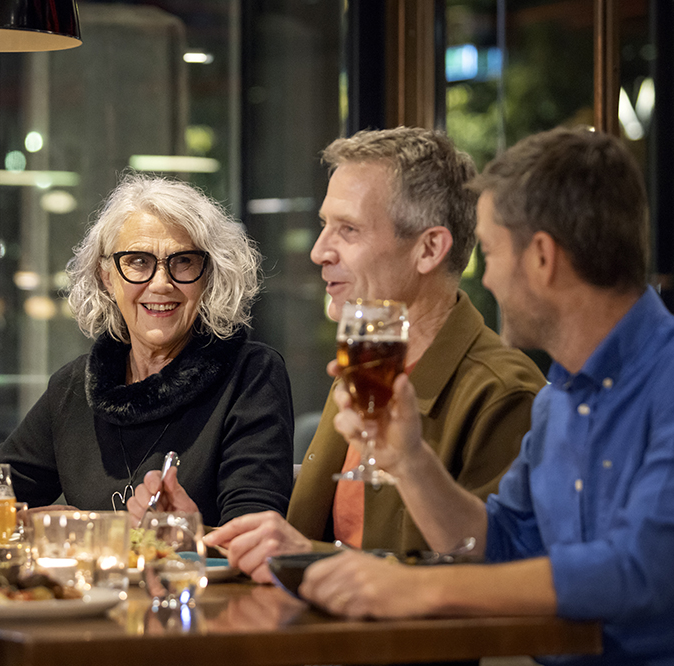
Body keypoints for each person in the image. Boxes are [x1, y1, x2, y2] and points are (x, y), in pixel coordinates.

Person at [302, 127, 674, 666]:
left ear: (542, 258)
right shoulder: (559, 400)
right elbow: (497, 544)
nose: (488, 279)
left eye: (493, 252)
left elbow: (640, 570)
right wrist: (409, 459)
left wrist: (417, 589)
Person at [203, 127, 544, 582]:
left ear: (429, 249)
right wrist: (199, 516)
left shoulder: (503, 393)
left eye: (348, 229)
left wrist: (309, 559)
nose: (319, 250)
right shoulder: (365, 367)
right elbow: (319, 530)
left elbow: (491, 582)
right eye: (325, 225)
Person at [0, 173, 294, 528]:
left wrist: (185, 534)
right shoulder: (73, 387)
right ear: (107, 276)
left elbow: (255, 533)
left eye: (184, 261)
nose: (162, 283)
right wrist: (21, 523)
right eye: (138, 261)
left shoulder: (251, 374)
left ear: (209, 276)